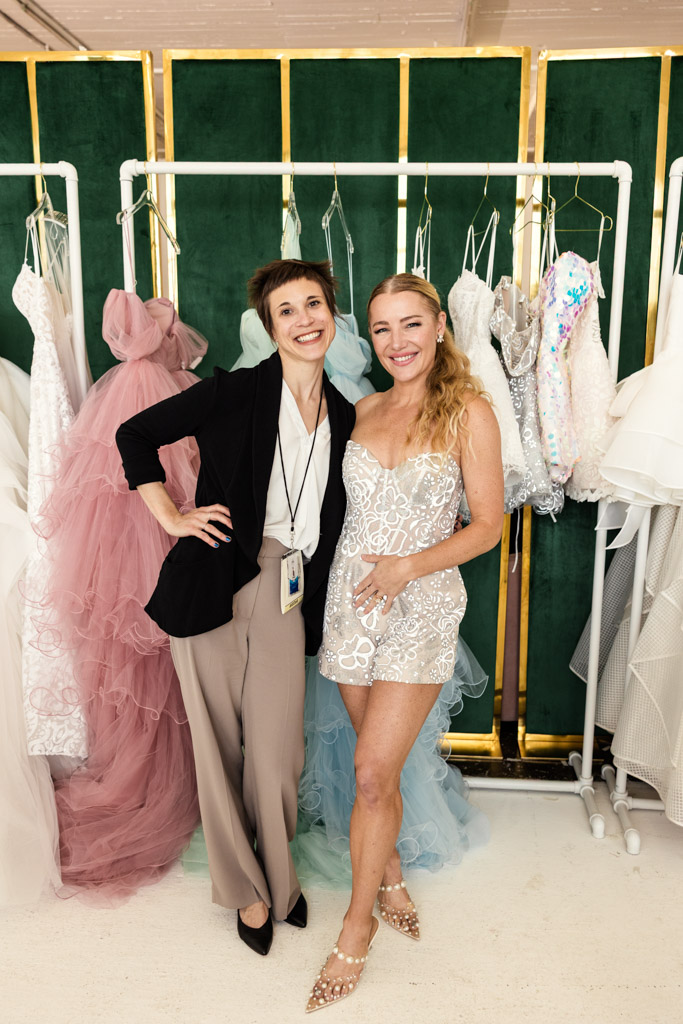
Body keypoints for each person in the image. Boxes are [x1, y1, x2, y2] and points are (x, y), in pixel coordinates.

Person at [115, 259, 355, 956]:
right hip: (213, 580)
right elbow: (134, 436)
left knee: (278, 754)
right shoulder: (238, 391)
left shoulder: (344, 413)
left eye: (314, 304)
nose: (304, 319)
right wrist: (170, 515)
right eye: (287, 310)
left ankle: (280, 878)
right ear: (268, 325)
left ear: (331, 313)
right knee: (216, 750)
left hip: (288, 587)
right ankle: (245, 893)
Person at [306, 273, 504, 1012]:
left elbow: (486, 526)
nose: (397, 342)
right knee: (373, 773)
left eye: (410, 325)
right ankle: (386, 870)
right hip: (349, 609)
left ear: (439, 328)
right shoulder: (361, 408)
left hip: (420, 606)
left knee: (367, 773)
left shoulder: (468, 412)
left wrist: (408, 567)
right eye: (382, 329)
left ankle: (355, 931)